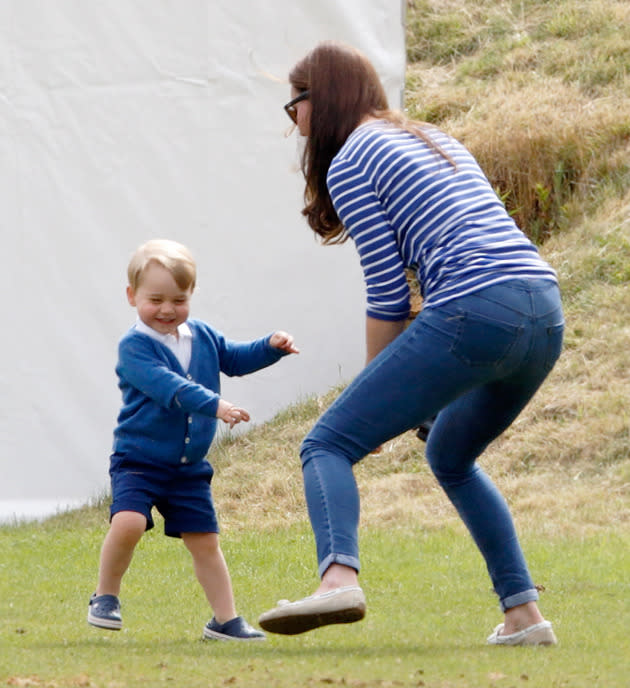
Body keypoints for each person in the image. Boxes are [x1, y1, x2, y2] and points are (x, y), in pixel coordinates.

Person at [258, 41, 563, 646]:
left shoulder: (351, 159)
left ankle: (337, 579)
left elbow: (389, 293)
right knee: (450, 455)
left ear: (317, 99)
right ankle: (525, 618)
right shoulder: (434, 137)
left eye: (292, 106)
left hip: (476, 304)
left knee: (326, 443)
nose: (292, 123)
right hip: (542, 309)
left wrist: (375, 396)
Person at [88, 239, 299, 641]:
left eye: (178, 299)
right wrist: (217, 406)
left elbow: (235, 358)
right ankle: (105, 596)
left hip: (188, 469)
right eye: (155, 299)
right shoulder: (133, 347)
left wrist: (271, 347)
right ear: (131, 296)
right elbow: (170, 387)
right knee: (129, 522)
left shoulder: (200, 334)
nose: (167, 309)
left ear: (190, 296)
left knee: (205, 542)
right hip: (139, 460)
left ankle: (225, 620)